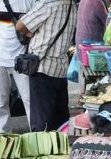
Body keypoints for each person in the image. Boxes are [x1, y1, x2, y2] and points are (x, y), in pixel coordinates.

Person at [16, 0, 77, 131]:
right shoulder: (71, 5)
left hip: (42, 68)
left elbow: (20, 26)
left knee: (41, 122)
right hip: (60, 68)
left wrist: (30, 33)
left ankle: (42, 150)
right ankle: (60, 148)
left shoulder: (47, 3)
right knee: (60, 121)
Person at [0, 0, 36, 133]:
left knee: (29, 100)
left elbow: (34, 29)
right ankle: (4, 135)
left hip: (22, 60)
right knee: (0, 101)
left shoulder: (29, 1)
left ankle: (36, 135)